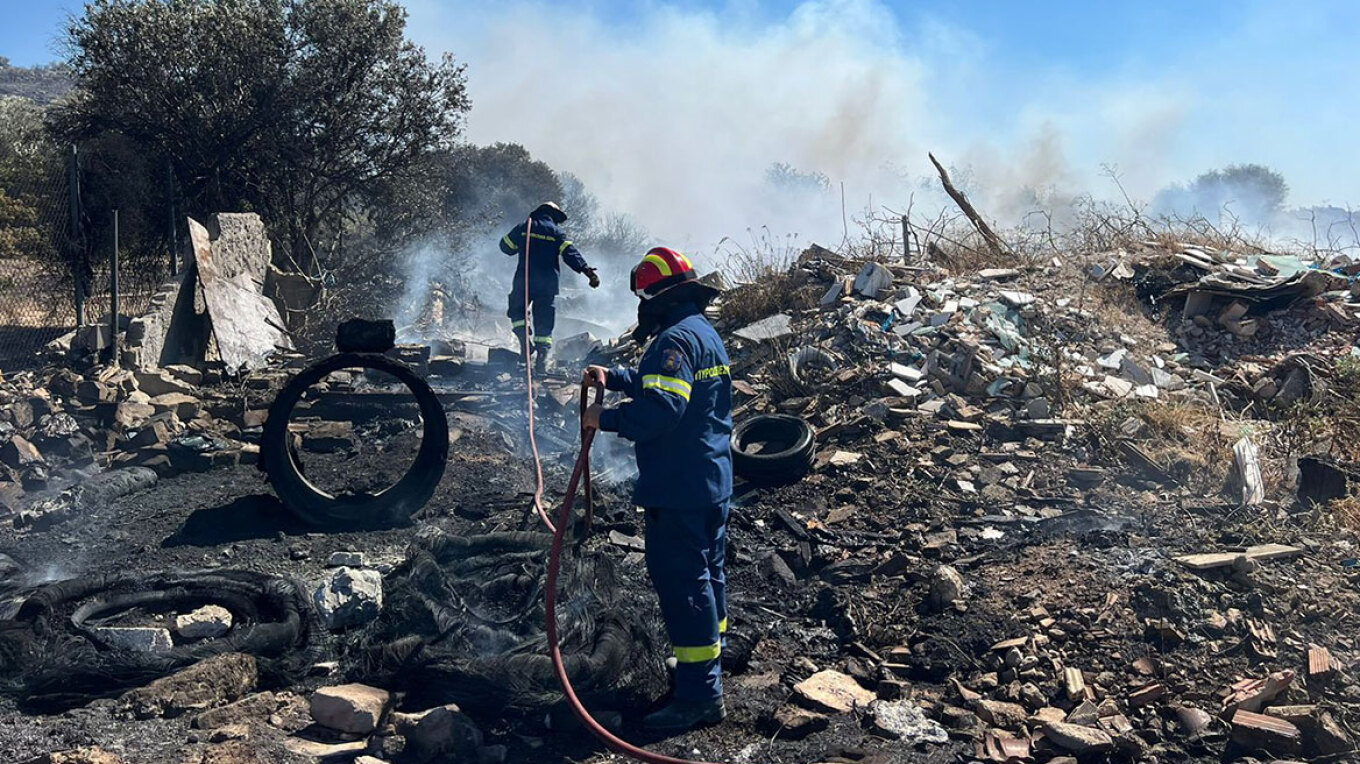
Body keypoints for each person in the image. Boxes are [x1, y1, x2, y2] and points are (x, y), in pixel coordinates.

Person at [582, 247, 732, 732]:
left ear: (658, 296)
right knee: (709, 577)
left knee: (685, 586)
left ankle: (699, 697)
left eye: (644, 297)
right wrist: (617, 376)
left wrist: (604, 418)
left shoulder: (672, 342)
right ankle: (708, 665)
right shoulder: (703, 334)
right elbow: (665, 385)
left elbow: (662, 410)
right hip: (711, 481)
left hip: (679, 487)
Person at [500, 201, 600, 372]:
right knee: (544, 321)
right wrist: (587, 271)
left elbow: (505, 247)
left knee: (517, 311)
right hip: (547, 285)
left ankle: (525, 345)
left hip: (524, 280)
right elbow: (571, 254)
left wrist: (522, 243)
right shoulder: (556, 232)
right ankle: (541, 360)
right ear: (553, 216)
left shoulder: (525, 227)